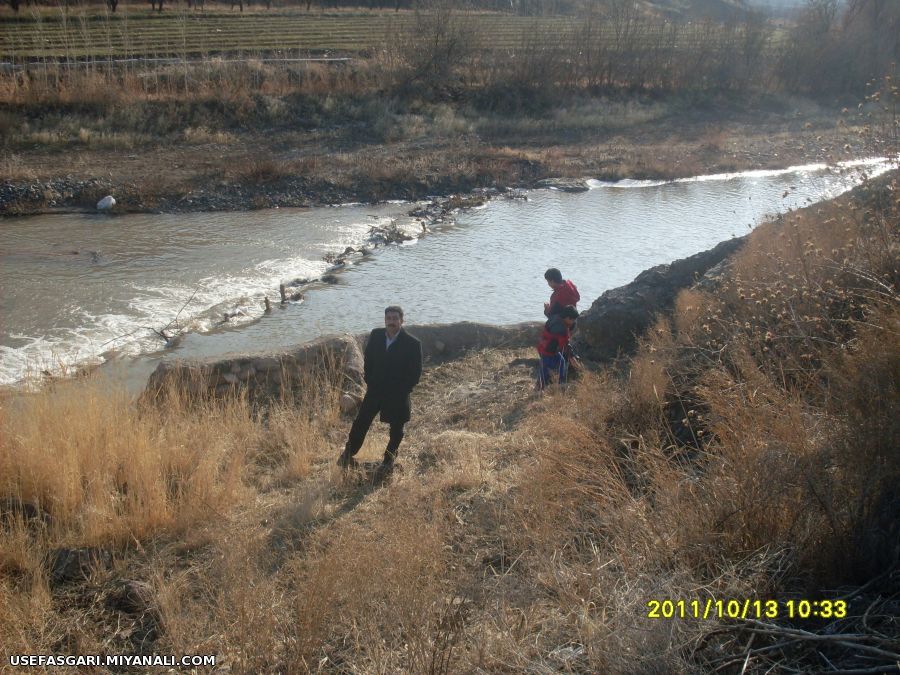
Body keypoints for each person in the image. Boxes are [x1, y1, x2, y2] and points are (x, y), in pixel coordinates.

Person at [337, 305, 422, 483]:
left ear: (401, 320)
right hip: (375, 390)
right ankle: (347, 455)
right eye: (388, 318)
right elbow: (368, 360)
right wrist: (370, 379)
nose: (391, 322)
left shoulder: (413, 344)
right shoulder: (376, 335)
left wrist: (402, 390)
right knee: (361, 423)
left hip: (397, 394)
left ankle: (388, 462)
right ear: (385, 320)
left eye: (395, 319)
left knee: (396, 430)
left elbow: (415, 374)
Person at [536, 305, 579, 390]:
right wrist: (571, 356)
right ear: (567, 318)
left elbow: (549, 313)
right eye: (573, 320)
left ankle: (561, 382)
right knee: (544, 371)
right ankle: (539, 388)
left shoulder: (556, 317)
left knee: (561, 361)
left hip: (548, 347)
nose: (573, 322)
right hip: (546, 350)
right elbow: (564, 344)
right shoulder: (560, 328)